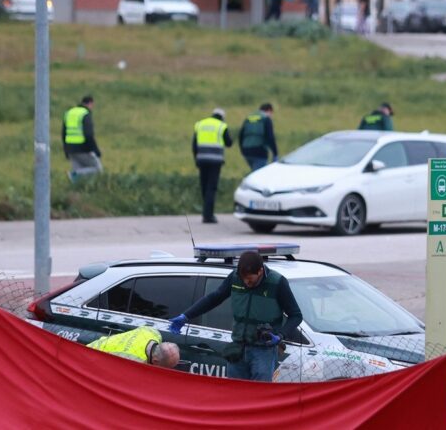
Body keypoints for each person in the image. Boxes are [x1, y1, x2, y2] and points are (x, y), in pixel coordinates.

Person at [168, 251, 302, 382]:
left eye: (250, 280)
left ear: (260, 271)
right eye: (243, 279)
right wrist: (186, 316)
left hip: (263, 352)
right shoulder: (235, 277)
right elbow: (214, 298)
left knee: (259, 397)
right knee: (236, 396)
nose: (246, 283)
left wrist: (280, 336)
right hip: (237, 350)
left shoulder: (277, 283)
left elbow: (296, 315)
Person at [193, 108, 233, 224]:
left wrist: (196, 158)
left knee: (204, 186)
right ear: (222, 117)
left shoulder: (200, 124)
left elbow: (194, 144)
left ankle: (206, 212)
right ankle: (208, 216)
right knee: (211, 188)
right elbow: (229, 143)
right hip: (215, 162)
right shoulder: (221, 126)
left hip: (201, 160)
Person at [87, 326, 180, 369]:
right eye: (165, 367)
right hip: (89, 357)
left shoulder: (153, 332)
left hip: (95, 346)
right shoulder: (134, 362)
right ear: (155, 361)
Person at [63, 95, 102, 182]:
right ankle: (74, 174)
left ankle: (77, 191)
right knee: (97, 169)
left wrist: (65, 150)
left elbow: (63, 133)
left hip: (70, 148)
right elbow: (88, 135)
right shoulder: (85, 114)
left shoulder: (69, 112)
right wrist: (95, 150)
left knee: (79, 178)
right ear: (91, 104)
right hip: (83, 148)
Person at [239, 103, 278, 172]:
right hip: (259, 151)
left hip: (246, 150)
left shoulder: (248, 118)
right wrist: (275, 154)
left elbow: (240, 135)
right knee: (259, 174)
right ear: (269, 110)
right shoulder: (266, 118)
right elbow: (270, 137)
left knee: (254, 171)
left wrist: (242, 150)